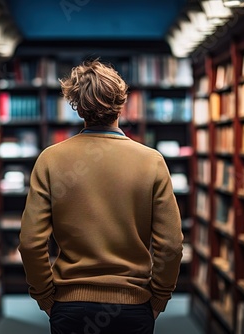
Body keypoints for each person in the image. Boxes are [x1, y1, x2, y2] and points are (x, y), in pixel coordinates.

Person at [19, 59, 184, 334]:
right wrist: (159, 296)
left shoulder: (50, 159)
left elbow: (30, 243)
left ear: (77, 106)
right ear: (122, 103)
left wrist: (45, 296)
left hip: (70, 306)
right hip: (133, 305)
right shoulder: (151, 161)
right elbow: (171, 246)